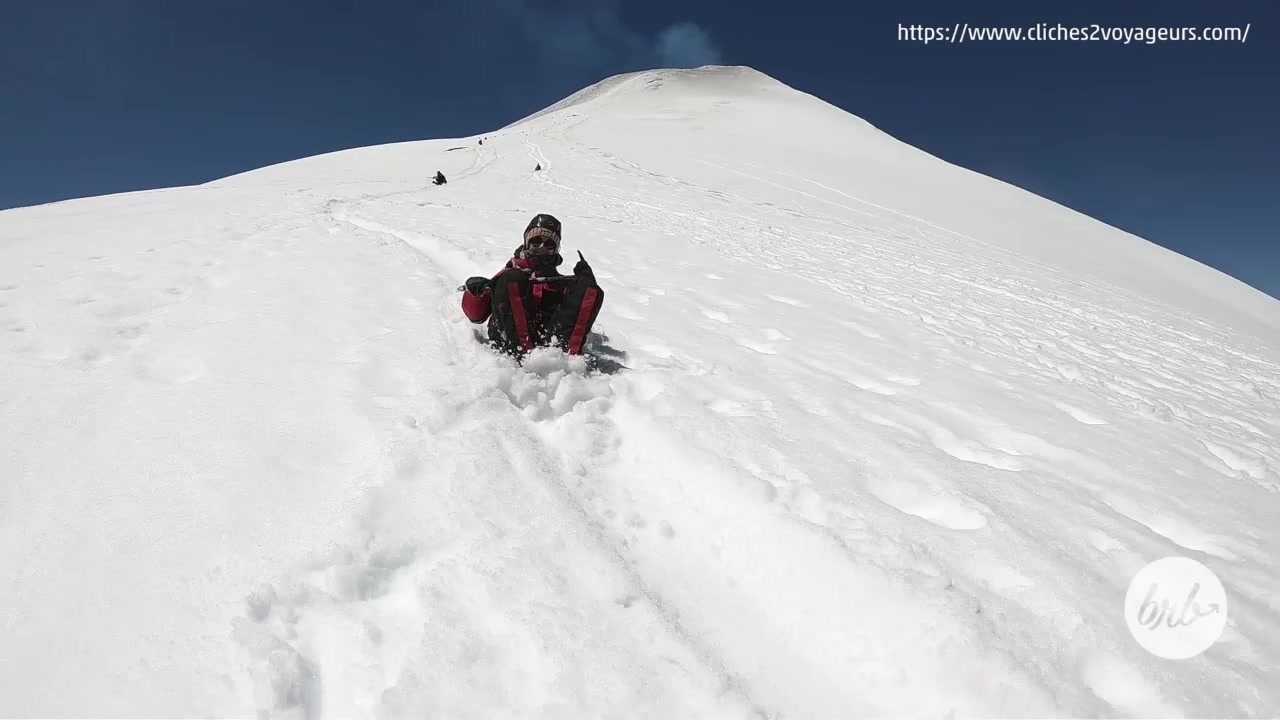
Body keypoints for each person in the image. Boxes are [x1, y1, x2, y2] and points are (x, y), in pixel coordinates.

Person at [461, 213, 604, 358]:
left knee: (588, 289)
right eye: (536, 241)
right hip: (510, 342)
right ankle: (523, 354)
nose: (541, 247)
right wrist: (474, 293)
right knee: (513, 280)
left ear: (555, 249)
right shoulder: (510, 274)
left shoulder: (559, 282)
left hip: (547, 346)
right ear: (526, 243)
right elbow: (476, 316)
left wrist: (586, 284)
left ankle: (565, 359)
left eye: (549, 244)